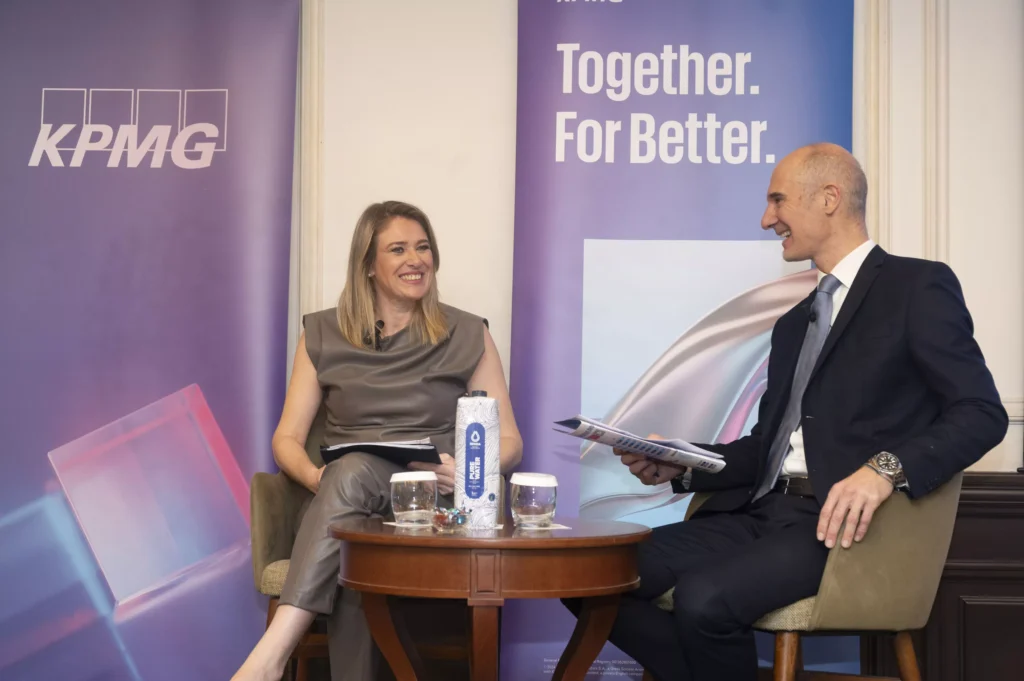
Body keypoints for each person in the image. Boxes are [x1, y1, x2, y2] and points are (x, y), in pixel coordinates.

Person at [578, 143, 1008, 681]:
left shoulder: (916, 287)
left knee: (704, 599)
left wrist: (884, 470)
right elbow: (767, 448)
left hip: (842, 527)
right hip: (757, 513)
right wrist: (679, 463)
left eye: (777, 200)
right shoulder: (792, 325)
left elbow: (981, 412)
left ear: (829, 198)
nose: (767, 219)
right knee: (589, 573)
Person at [232, 200, 523, 681]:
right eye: (398, 249)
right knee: (350, 493)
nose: (416, 259)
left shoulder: (468, 332)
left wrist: (471, 469)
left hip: (431, 501)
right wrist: (316, 478)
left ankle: (268, 659)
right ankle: (273, 660)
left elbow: (510, 439)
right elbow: (287, 438)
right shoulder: (322, 333)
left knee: (349, 525)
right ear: (368, 264)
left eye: (423, 247)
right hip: (342, 498)